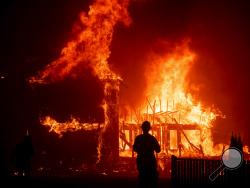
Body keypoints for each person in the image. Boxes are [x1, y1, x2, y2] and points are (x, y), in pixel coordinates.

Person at [133, 121, 161, 188]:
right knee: (152, 180)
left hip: (141, 161)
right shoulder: (152, 138)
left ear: (142, 128)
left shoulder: (138, 138)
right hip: (150, 161)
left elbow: (134, 148)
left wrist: (141, 151)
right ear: (149, 129)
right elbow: (158, 150)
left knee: (142, 179)